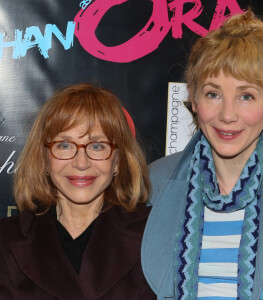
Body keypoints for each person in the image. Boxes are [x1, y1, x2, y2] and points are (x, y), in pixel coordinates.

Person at [142, 10, 263, 300]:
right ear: (193, 98)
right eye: (213, 94)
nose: (227, 115)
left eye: (246, 96)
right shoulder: (155, 183)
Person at [0, 83, 155, 299]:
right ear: (44, 158)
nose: (81, 163)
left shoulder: (153, 235)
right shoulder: (6, 239)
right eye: (64, 145)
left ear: (118, 161)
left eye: (97, 146)